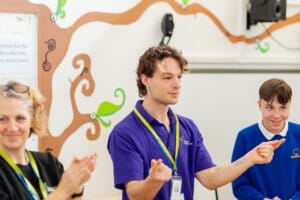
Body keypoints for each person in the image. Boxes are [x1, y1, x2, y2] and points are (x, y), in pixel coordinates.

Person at [107, 45, 285, 200]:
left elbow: (211, 179)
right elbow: (135, 195)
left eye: (179, 77)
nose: (177, 84)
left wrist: (250, 158)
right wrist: (153, 181)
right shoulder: (124, 133)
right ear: (145, 79)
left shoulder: (187, 127)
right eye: (167, 78)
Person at [0, 80, 97, 200]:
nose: (12, 127)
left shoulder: (49, 163)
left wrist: (76, 187)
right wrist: (63, 191)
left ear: (33, 121)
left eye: (20, 118)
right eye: (2, 119)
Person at [231, 78, 300, 200]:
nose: (276, 115)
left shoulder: (298, 134)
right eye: (269, 107)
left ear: (290, 105)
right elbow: (239, 184)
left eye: (282, 108)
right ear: (259, 105)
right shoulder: (245, 137)